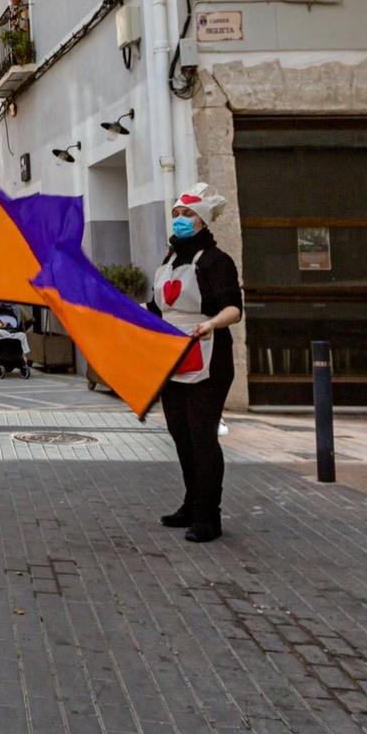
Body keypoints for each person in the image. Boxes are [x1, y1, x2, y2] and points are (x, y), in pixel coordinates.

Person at [150, 184, 243, 544]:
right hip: (172, 358)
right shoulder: (168, 261)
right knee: (181, 436)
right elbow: (158, 308)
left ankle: (209, 516)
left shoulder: (217, 261)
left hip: (208, 358)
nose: (180, 220)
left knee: (203, 438)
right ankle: (191, 504)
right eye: (176, 214)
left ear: (203, 220)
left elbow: (233, 309)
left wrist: (210, 324)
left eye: (187, 215)